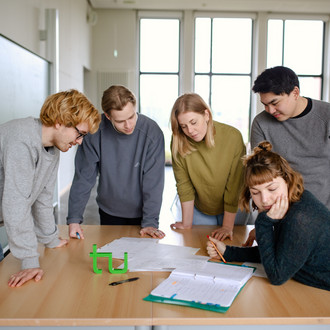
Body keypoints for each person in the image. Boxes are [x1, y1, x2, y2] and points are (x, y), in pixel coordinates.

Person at [0, 89, 101, 287]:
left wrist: (50, 238)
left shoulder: (52, 148)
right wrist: (29, 260)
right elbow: (16, 201)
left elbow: (43, 198)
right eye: (79, 134)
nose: (79, 142)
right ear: (60, 121)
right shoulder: (22, 139)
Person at [207, 141, 330, 291]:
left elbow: (276, 276)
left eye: (271, 189)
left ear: (287, 180)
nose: (264, 199)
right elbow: (278, 253)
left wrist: (264, 223)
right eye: (255, 193)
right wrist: (229, 252)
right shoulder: (289, 203)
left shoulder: (301, 217)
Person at [67, 85, 165, 239]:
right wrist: (74, 219)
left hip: (142, 214)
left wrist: (150, 221)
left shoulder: (152, 133)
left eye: (131, 117)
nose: (128, 125)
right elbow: (84, 178)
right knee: (111, 259)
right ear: (107, 116)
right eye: (120, 121)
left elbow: (154, 183)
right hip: (109, 211)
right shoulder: (94, 133)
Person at [246, 66, 330, 246]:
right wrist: (265, 224)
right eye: (265, 104)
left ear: (295, 92)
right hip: (282, 219)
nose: (269, 110)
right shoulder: (261, 123)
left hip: (324, 217)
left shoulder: (327, 116)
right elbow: (260, 177)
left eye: (275, 103)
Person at [170, 93, 246, 241]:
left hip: (234, 207)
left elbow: (235, 185)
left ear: (206, 114)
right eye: (183, 126)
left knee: (233, 248)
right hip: (201, 208)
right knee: (198, 246)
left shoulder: (233, 137)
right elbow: (184, 185)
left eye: (193, 122)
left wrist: (227, 227)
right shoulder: (178, 140)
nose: (190, 131)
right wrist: (186, 224)